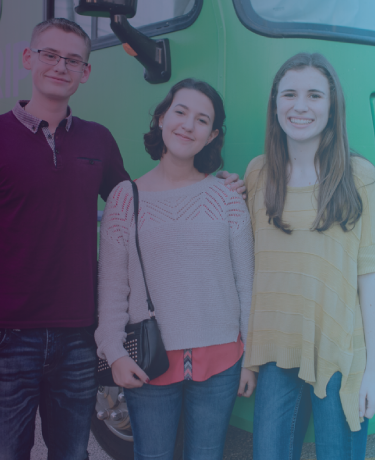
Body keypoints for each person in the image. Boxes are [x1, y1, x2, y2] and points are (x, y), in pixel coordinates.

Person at [0, 18, 245, 459]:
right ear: (27, 58)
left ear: (85, 72)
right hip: (9, 333)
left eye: (73, 59)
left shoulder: (98, 141)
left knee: (72, 451)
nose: (61, 66)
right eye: (50, 55)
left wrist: (221, 187)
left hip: (76, 334)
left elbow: (136, 208)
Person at [95, 78, 257, 460]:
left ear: (212, 134)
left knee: (205, 454)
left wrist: (252, 358)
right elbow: (113, 289)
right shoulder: (124, 198)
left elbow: (246, 285)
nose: (188, 125)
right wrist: (114, 352)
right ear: (162, 118)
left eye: (202, 120)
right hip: (148, 361)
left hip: (222, 360)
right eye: (180, 112)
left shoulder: (227, 198)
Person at [244, 52, 375, 460]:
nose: (301, 106)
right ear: (275, 103)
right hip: (276, 349)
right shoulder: (257, 175)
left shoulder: (359, 177)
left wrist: (374, 368)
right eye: (290, 94)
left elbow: (369, 274)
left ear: (332, 106)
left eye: (315, 95)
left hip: (340, 351)